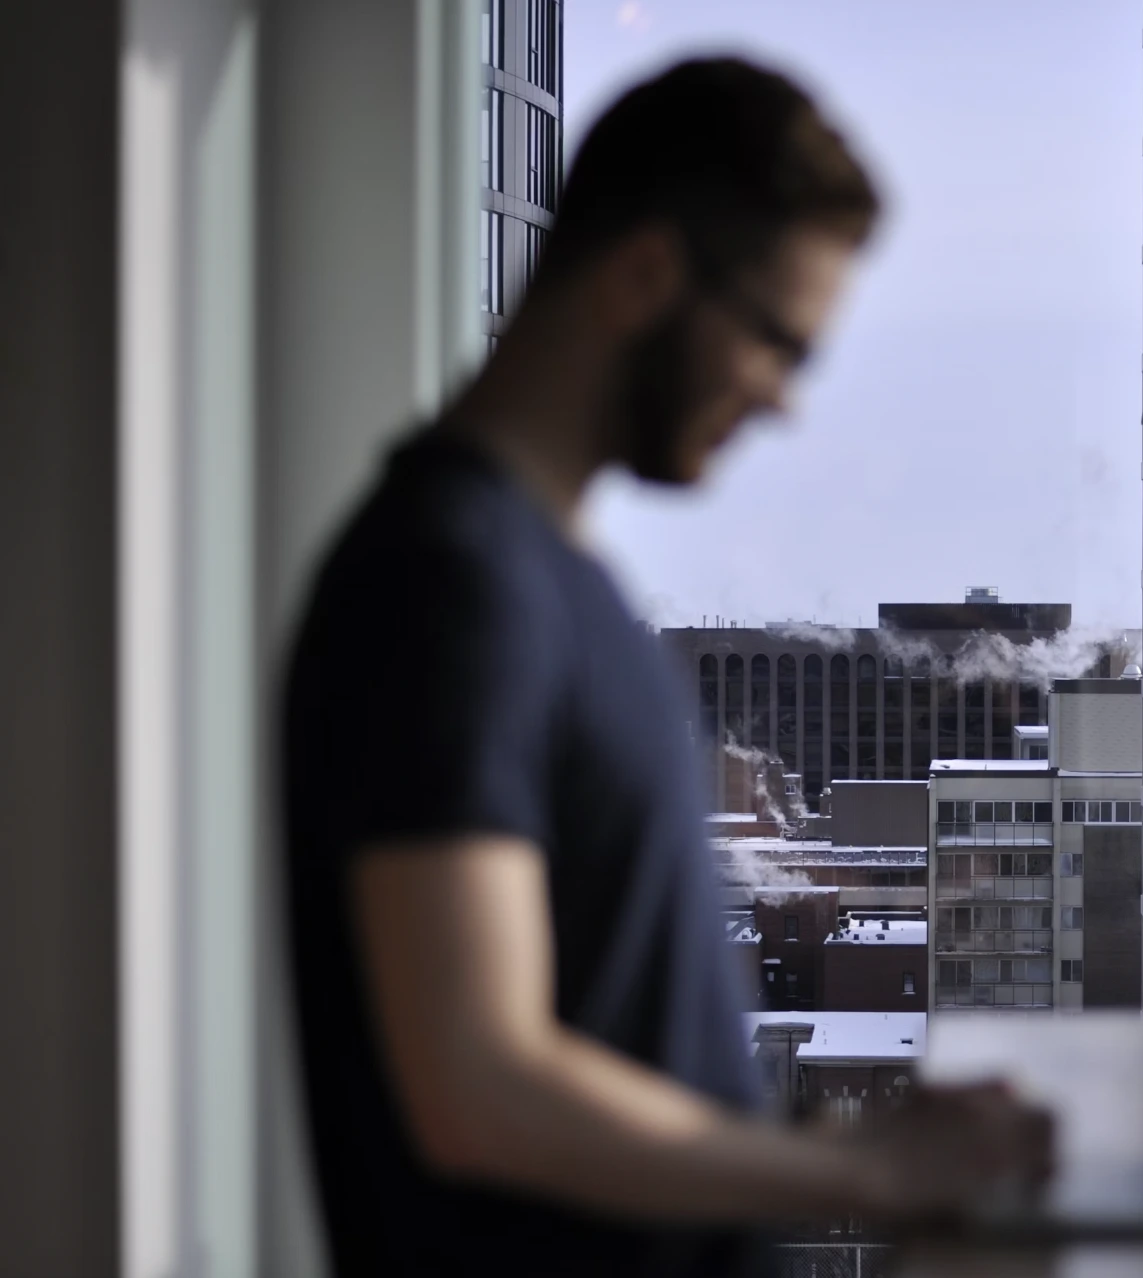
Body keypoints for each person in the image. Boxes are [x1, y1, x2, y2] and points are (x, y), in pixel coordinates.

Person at [283, 57, 1050, 1277]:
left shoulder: (552, 583)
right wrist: (862, 1170)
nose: (786, 404)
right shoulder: (445, 585)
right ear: (645, 274)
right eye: (776, 345)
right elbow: (477, 1083)